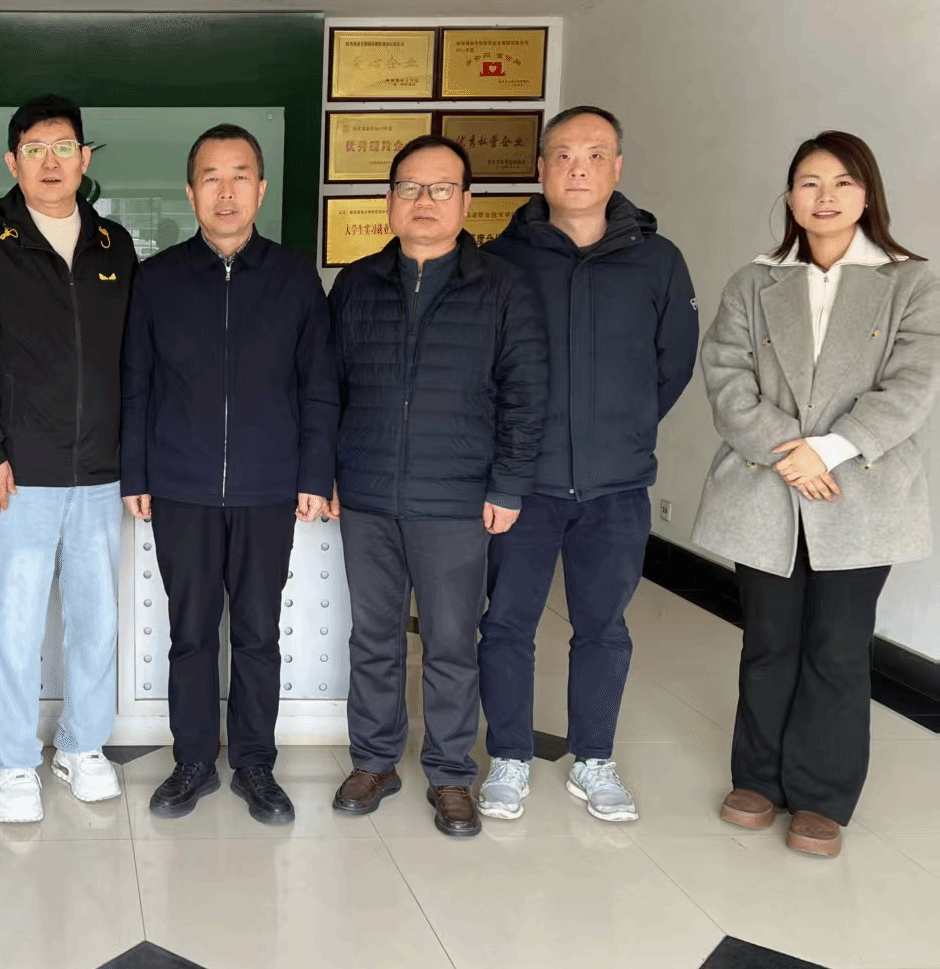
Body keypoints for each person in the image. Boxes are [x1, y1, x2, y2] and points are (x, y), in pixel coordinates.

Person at [694, 131, 937, 859]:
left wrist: (826, 450)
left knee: (838, 647)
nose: (825, 196)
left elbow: (913, 386)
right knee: (769, 640)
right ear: (791, 197)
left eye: (842, 183)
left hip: (860, 491)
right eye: (809, 182)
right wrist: (790, 453)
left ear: (867, 195)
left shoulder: (910, 282)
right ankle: (758, 779)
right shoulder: (755, 281)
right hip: (765, 488)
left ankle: (822, 795)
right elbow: (726, 376)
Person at [477, 106, 698, 823]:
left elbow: (672, 364)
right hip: (523, 484)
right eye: (565, 155)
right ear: (540, 169)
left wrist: (621, 430)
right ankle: (510, 755)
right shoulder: (501, 259)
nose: (579, 168)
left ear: (617, 167)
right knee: (507, 623)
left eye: (596, 154)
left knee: (604, 626)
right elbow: (483, 370)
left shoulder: (657, 260)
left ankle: (594, 758)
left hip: (616, 485)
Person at [328, 136, 546, 837]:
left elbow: (525, 395)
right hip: (367, 495)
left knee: (451, 642)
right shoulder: (356, 284)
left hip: (456, 500)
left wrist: (508, 485)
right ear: (389, 200)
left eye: (441, 188)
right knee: (374, 638)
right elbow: (328, 388)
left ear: (466, 201)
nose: (424, 201)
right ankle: (374, 760)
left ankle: (452, 773)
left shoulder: (503, 286)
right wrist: (327, 472)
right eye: (410, 188)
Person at [121, 124, 335, 824]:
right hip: (180, 484)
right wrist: (136, 473)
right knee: (189, 633)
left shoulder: (294, 276)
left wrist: (314, 472)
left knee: (256, 633)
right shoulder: (157, 279)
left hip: (268, 486)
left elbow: (318, 384)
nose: (226, 191)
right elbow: (137, 383)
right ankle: (191, 761)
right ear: (191, 192)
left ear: (261, 189)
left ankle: (254, 764)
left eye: (240, 175)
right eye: (211, 177)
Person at [0, 94, 137, 823]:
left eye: (62, 148)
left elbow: (134, 361)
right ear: (12, 161)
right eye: (34, 149)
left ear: (84, 159)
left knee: (95, 621)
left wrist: (135, 460)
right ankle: (16, 761)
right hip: (16, 476)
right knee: (13, 624)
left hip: (101, 472)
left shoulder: (114, 245)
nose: (49, 162)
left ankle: (83, 747)